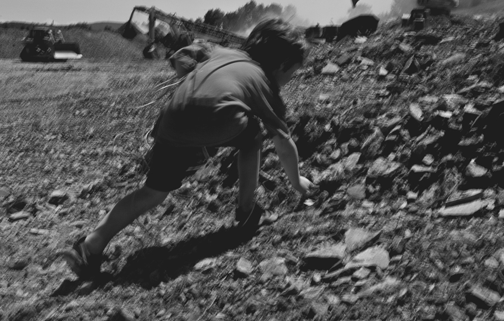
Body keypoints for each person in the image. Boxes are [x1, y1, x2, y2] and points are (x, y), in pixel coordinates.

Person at [61, 18, 315, 279]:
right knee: (252, 136)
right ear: (282, 65)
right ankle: (247, 210)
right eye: (292, 73)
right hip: (213, 123)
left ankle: (90, 246)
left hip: (171, 121)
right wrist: (297, 182)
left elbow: (181, 58)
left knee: (152, 193)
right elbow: (283, 143)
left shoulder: (219, 52)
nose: (290, 79)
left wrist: (195, 79)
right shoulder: (265, 84)